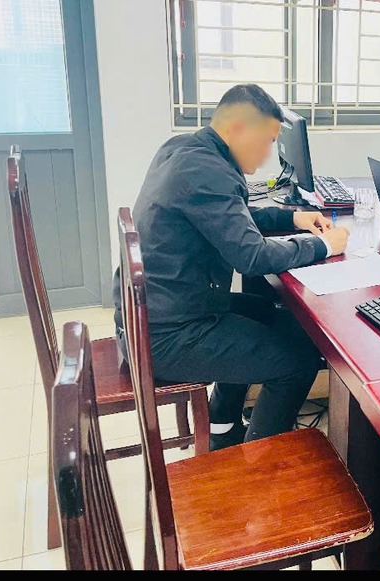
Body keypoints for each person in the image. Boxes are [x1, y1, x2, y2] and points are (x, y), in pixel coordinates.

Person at [113, 84, 349, 451]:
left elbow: (230, 215)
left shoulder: (184, 150)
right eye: (267, 141)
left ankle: (222, 426)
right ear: (237, 128)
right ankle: (257, 464)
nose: (268, 154)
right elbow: (252, 257)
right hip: (167, 337)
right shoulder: (210, 172)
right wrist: (324, 245)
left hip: (154, 314)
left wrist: (293, 218)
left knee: (269, 311)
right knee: (299, 364)